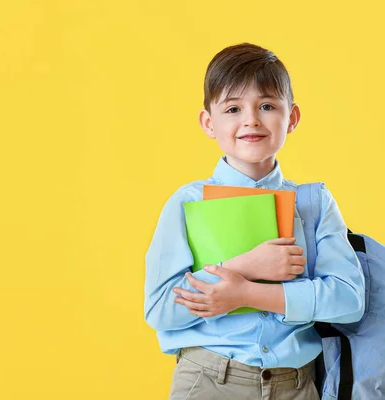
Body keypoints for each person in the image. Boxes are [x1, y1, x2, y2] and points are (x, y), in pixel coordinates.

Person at [144, 42, 365, 400]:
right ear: (208, 122)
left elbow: (348, 300)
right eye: (233, 108)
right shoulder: (188, 202)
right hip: (210, 380)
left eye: (266, 106)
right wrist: (242, 266)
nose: (251, 120)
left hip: (295, 384)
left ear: (291, 118)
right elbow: (160, 311)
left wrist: (247, 293)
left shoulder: (314, 203)